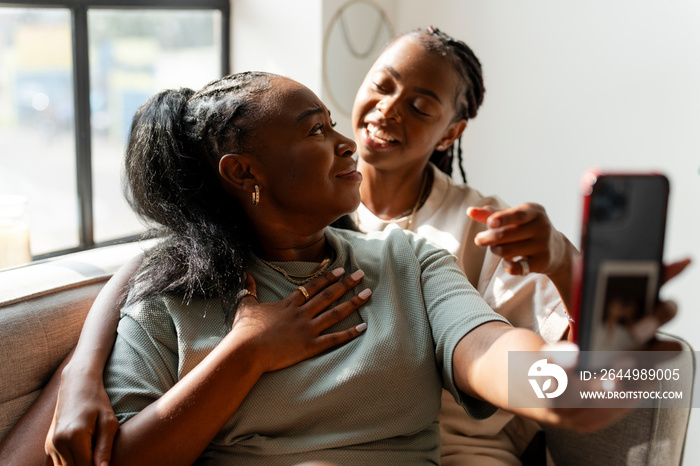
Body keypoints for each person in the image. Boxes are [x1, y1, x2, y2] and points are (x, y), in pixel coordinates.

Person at [0, 70, 678, 466]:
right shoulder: (171, 299)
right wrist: (244, 354)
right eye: (315, 129)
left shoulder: (409, 264)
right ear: (245, 174)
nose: (347, 140)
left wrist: (609, 350)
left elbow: (539, 384)